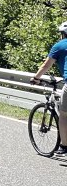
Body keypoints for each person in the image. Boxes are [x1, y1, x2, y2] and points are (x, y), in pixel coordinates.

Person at [31, 22, 67, 157]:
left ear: (63, 34)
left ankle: (64, 146)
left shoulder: (60, 46)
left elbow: (46, 66)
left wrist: (36, 78)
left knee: (64, 114)